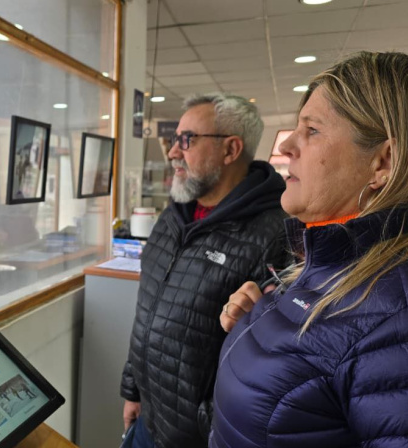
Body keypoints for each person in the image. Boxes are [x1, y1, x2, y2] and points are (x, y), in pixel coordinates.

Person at [210, 52, 408, 448]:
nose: (286, 144)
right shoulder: (337, 259)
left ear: (383, 161)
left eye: (312, 130)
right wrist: (258, 328)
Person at [120, 93, 290, 448]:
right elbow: (147, 312)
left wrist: (208, 427)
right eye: (174, 140)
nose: (172, 153)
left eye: (186, 140)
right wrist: (133, 390)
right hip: (148, 421)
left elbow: (267, 362)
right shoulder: (172, 217)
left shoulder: (276, 234)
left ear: (230, 150)